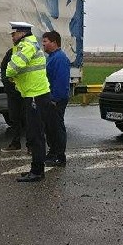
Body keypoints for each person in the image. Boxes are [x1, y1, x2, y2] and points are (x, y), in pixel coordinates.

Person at [5, 22, 51, 182]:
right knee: (33, 133)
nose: (12, 36)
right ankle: (35, 168)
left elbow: (12, 68)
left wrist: (11, 72)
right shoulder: (25, 45)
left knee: (36, 134)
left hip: (35, 95)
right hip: (32, 94)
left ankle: (38, 172)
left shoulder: (27, 45)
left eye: (14, 33)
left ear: (22, 33)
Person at [42, 31, 70, 167]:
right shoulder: (52, 57)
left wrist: (54, 99)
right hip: (51, 98)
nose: (43, 44)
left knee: (56, 127)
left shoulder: (59, 58)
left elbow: (61, 81)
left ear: (54, 42)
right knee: (50, 128)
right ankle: (52, 153)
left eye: (45, 41)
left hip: (56, 100)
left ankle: (59, 156)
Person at [0, 44, 31, 153]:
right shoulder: (11, 52)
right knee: (14, 118)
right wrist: (6, 82)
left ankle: (30, 145)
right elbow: (3, 68)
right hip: (13, 93)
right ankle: (15, 143)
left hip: (26, 92)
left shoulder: (29, 52)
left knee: (28, 119)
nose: (13, 39)